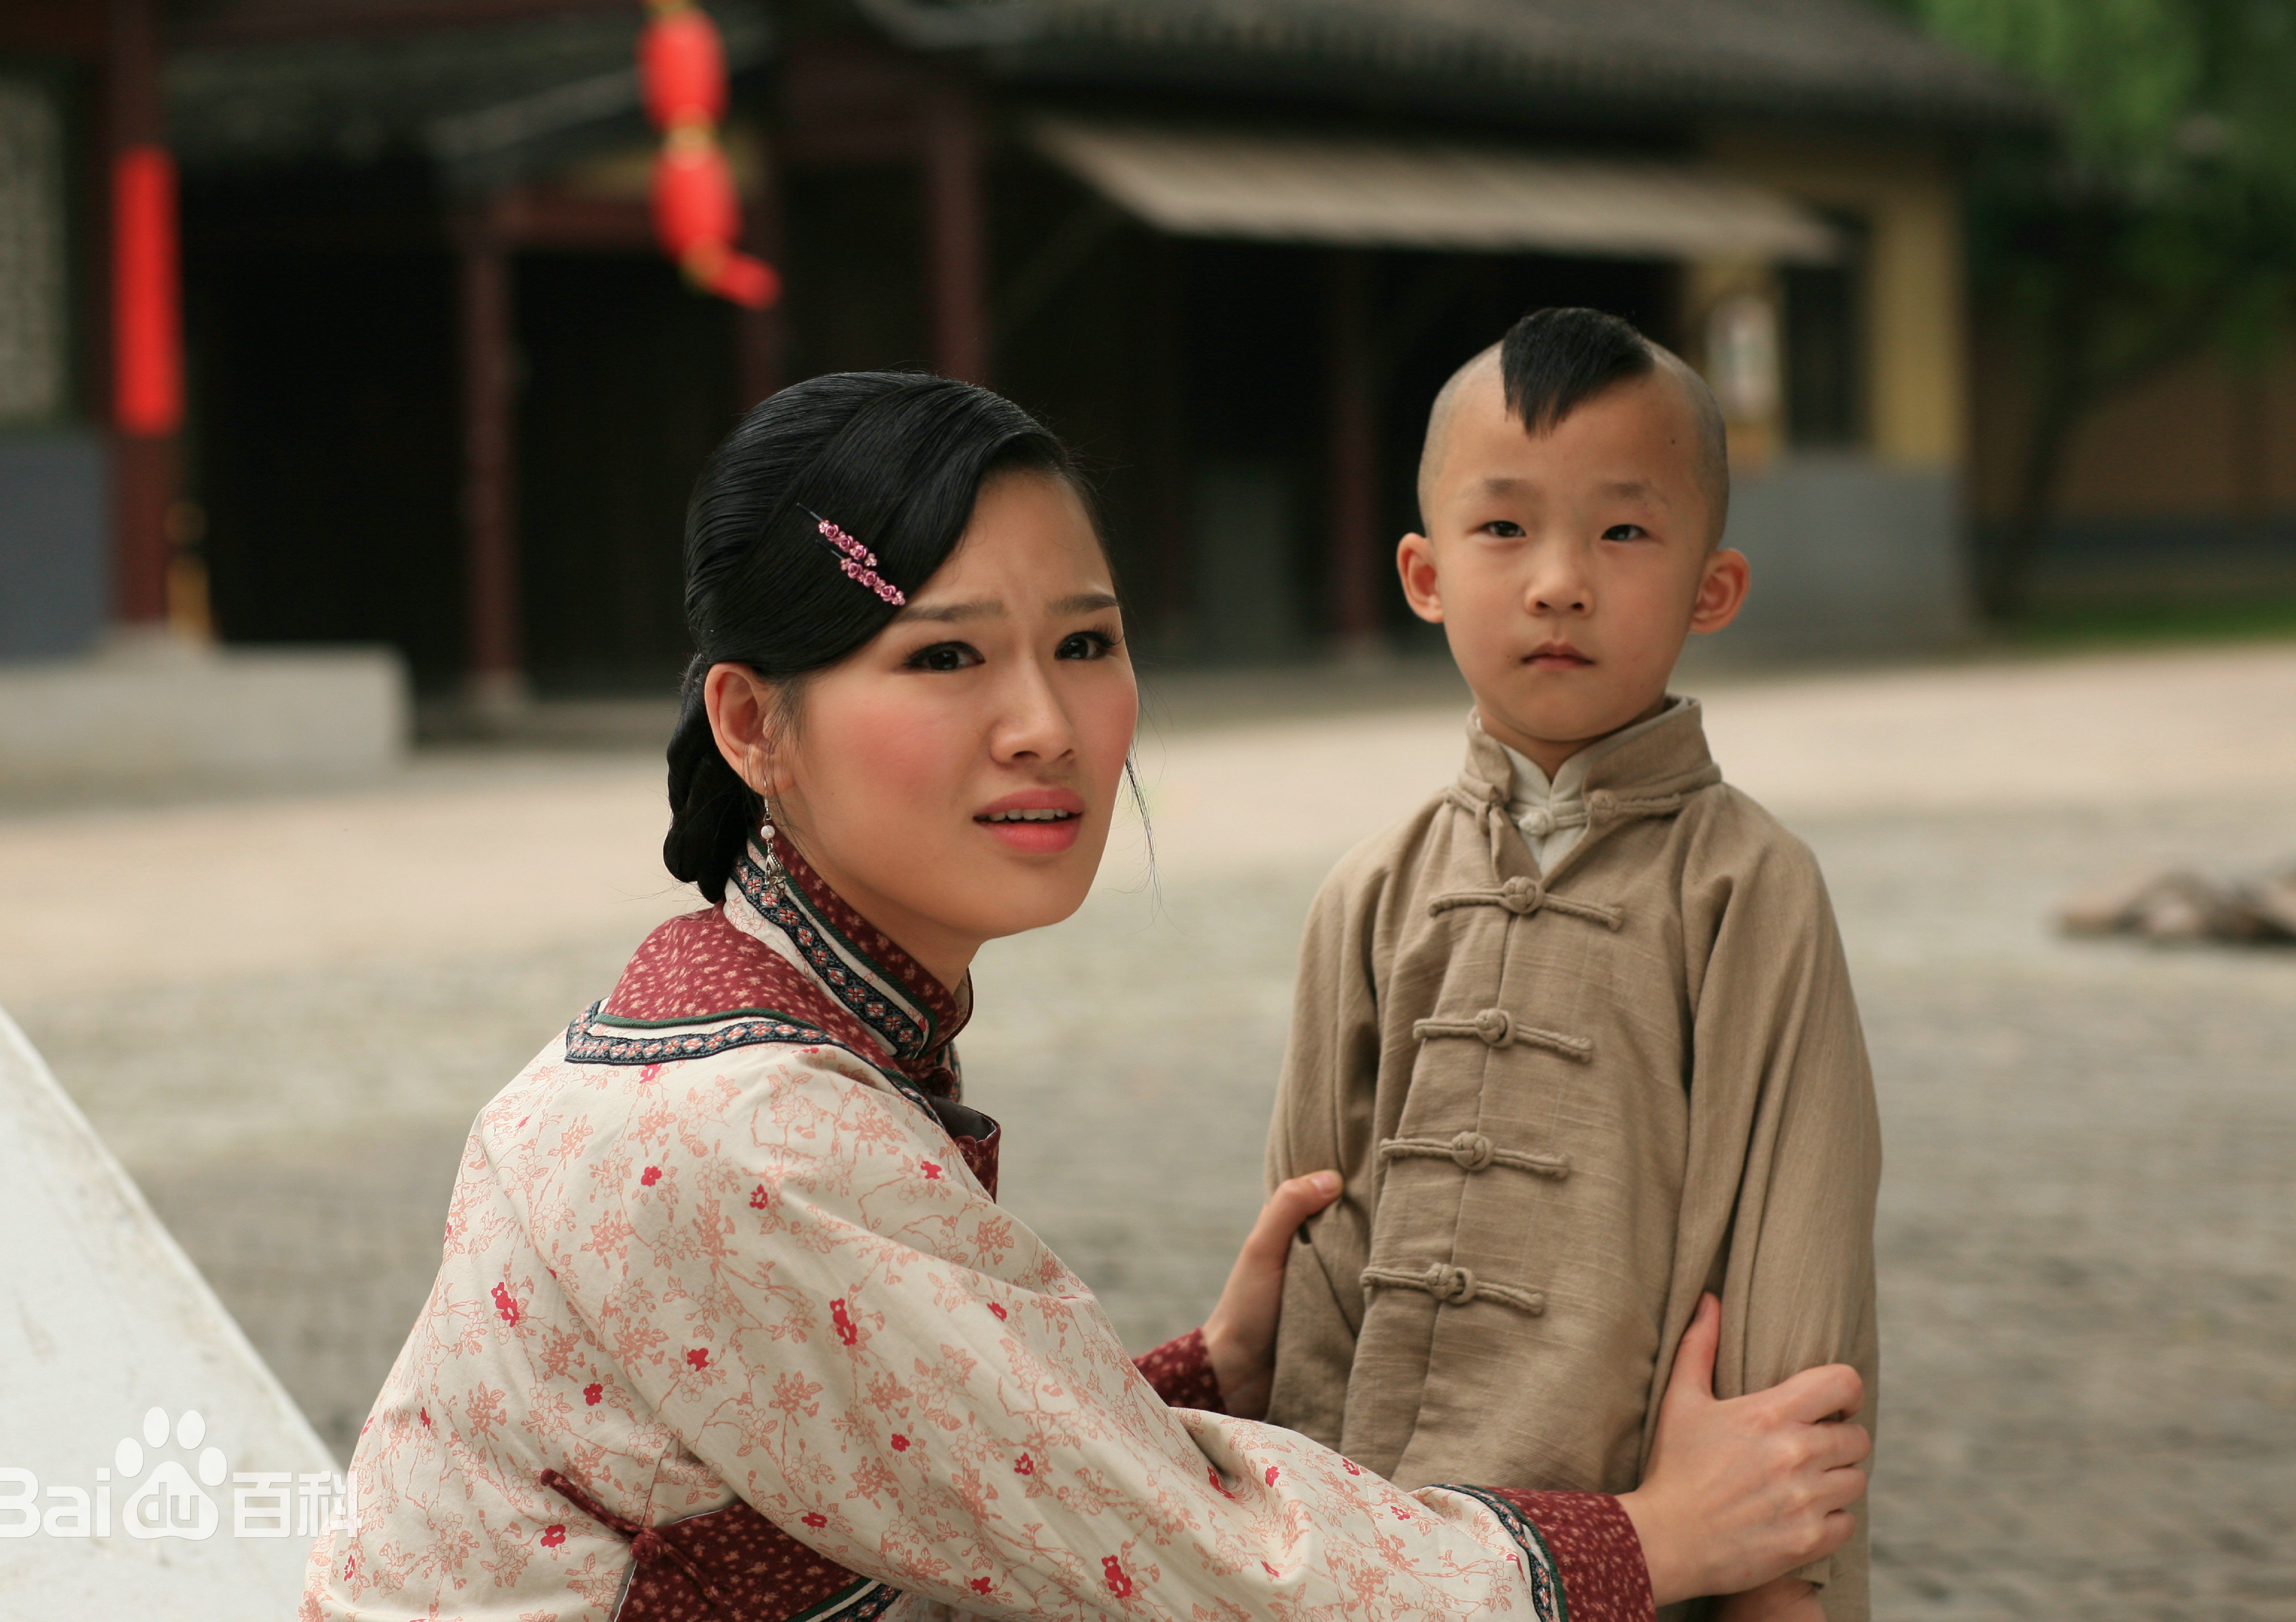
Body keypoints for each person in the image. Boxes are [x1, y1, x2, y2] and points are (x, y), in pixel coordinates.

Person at [302, 372, 1870, 1622]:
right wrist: (1655, 1540)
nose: (1046, 724)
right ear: (751, 720)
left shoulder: (764, 1032)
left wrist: (1203, 1377)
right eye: (942, 661)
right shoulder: (739, 1138)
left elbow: (918, 1462)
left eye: (1084, 642)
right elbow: (1197, 1570)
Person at [1262, 308, 1880, 1622]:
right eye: (1506, 529)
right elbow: (1318, 1252)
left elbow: (1798, 1247)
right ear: (1425, 577)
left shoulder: (1748, 890)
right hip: (1385, 1554)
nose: (1560, 581)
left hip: (1655, 1551)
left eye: (1623, 531)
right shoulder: (1369, 896)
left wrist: (1780, 1578)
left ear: (1713, 588)